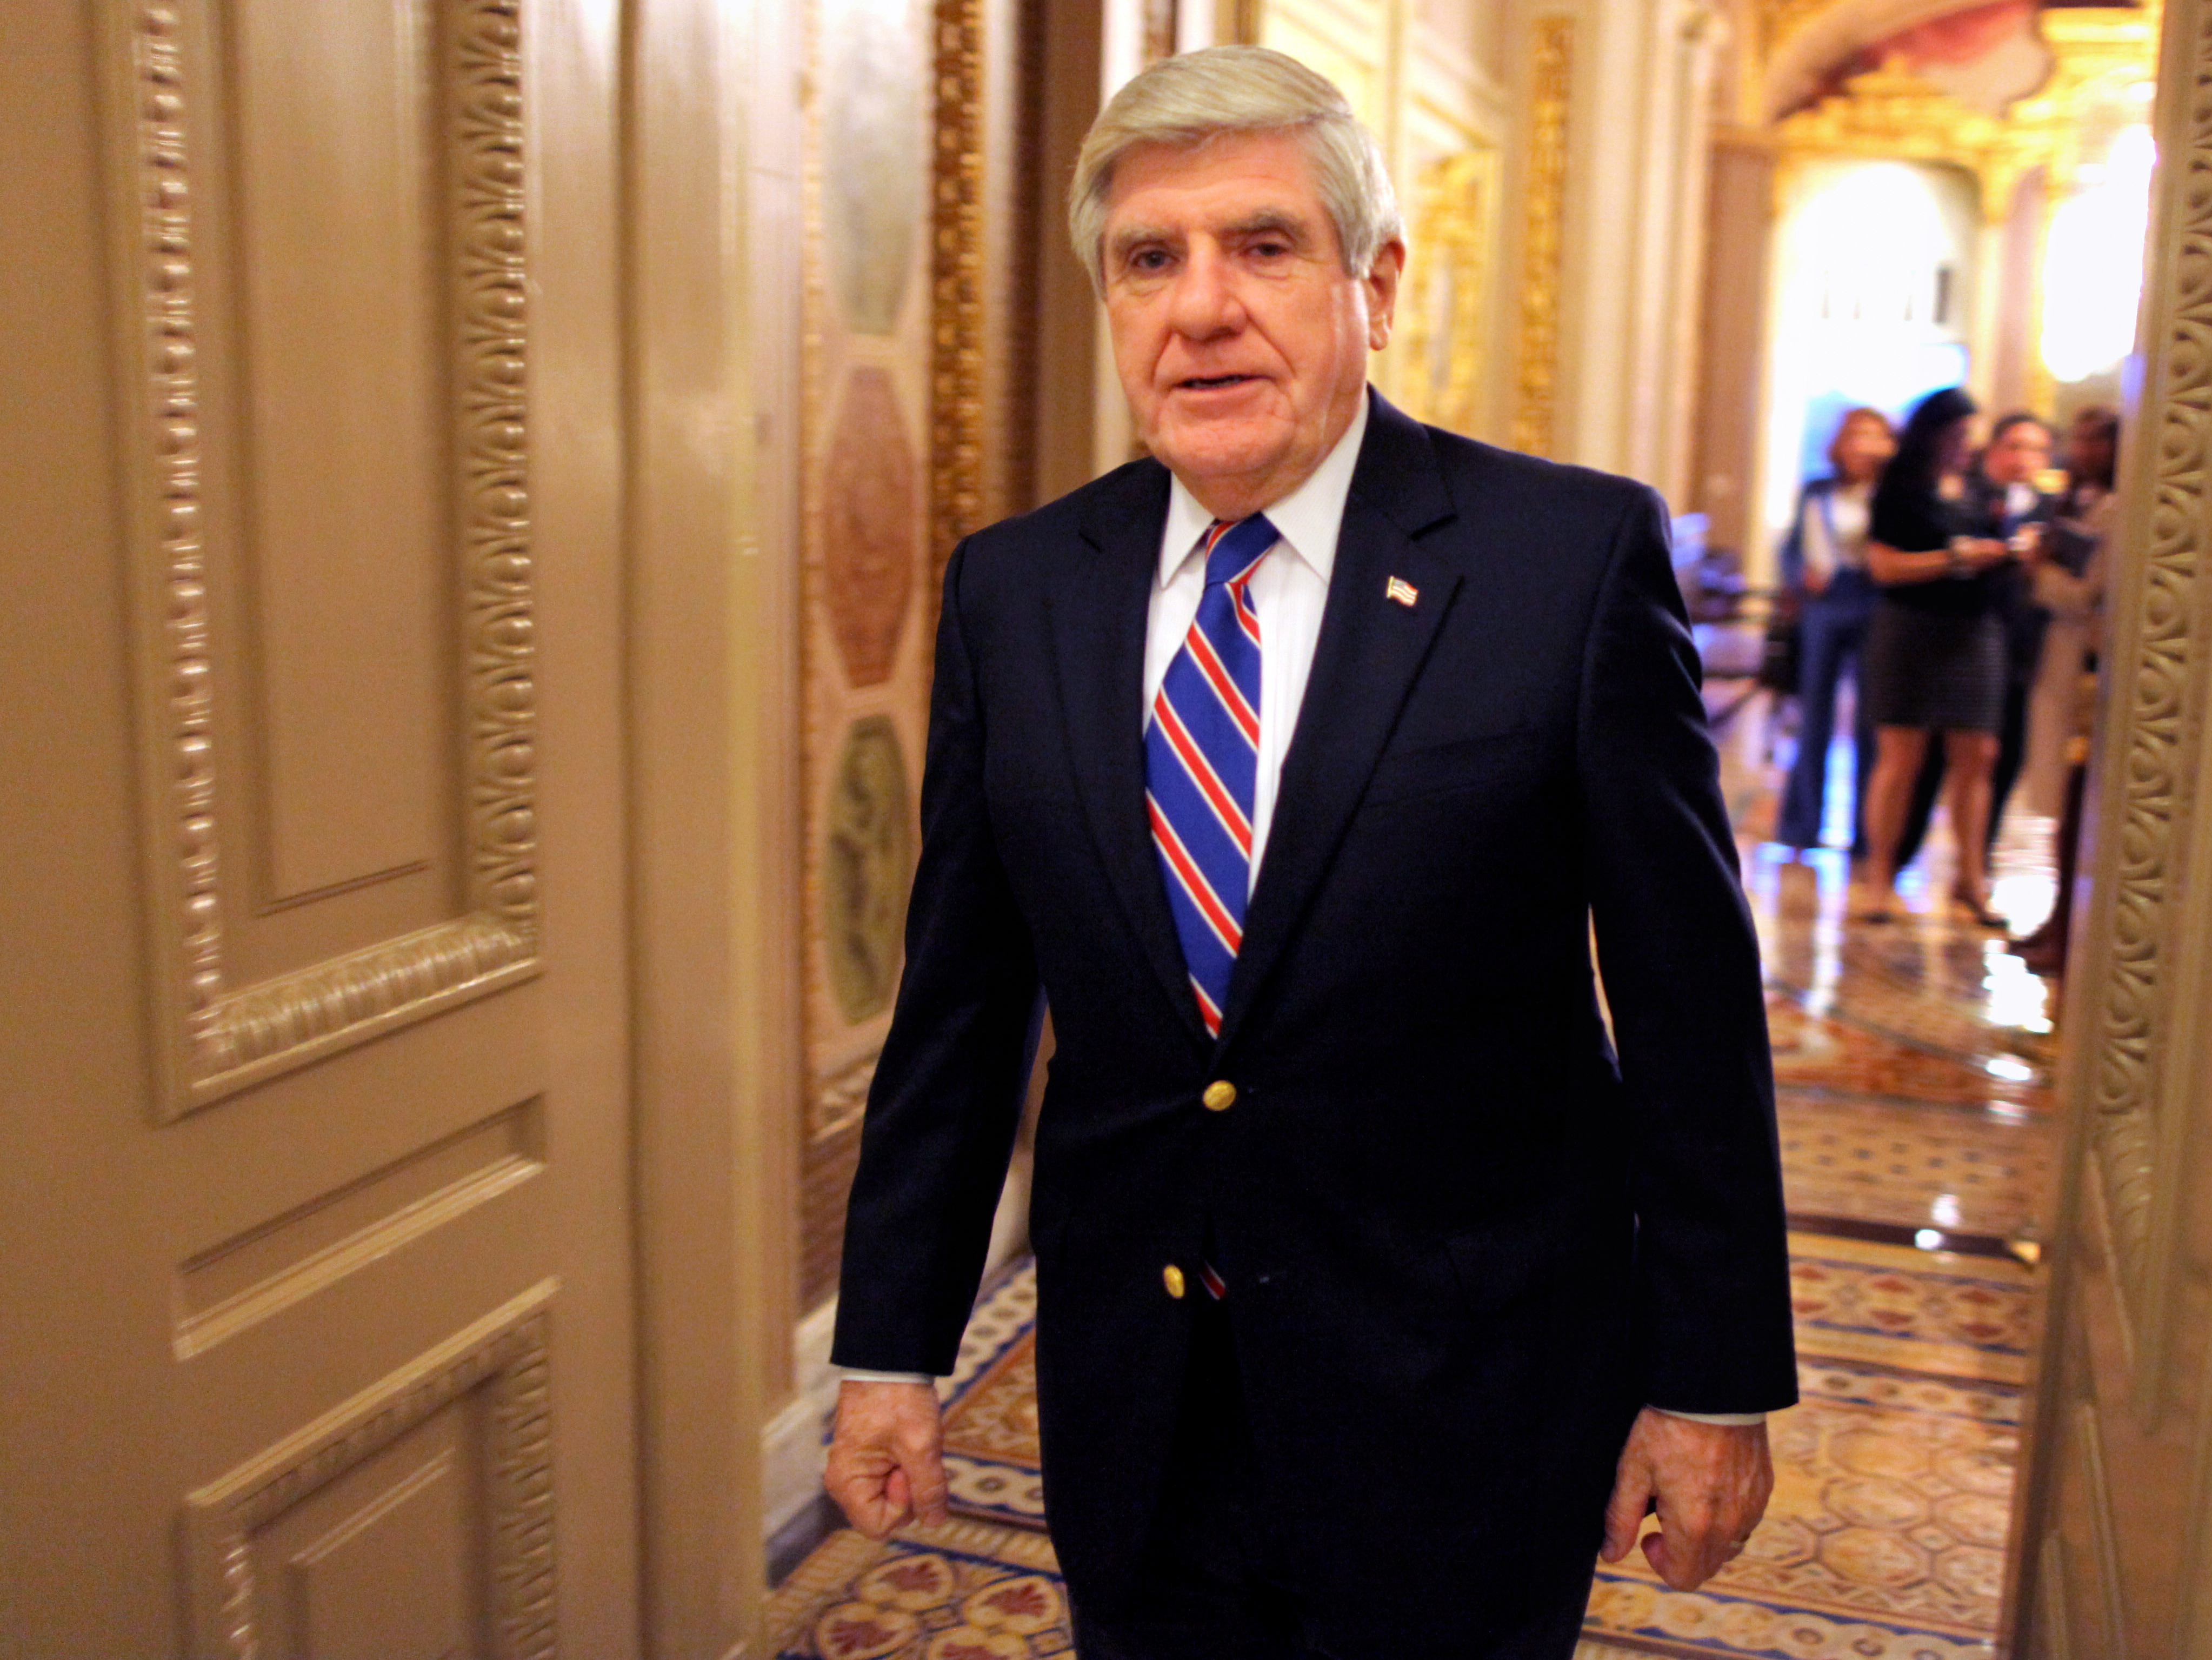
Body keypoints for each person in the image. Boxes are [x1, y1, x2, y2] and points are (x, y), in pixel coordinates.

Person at [822, 46, 1796, 1660]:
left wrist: (1710, 1380)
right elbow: (962, 1010)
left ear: (1375, 281)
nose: (1201, 307)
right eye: (1151, 261)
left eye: (1262, 247)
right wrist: (889, 1348)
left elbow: (1691, 1009)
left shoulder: (1561, 563)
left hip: (1467, 1400)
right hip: (1140, 1408)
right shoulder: (1017, 589)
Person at [1849, 388, 2039, 925]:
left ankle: (1972, 879)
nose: (1965, 446)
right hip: (1909, 625)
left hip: (1975, 627)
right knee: (1901, 755)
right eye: (1956, 435)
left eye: (1969, 436)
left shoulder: (1982, 488)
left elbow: (2004, 543)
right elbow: (1884, 566)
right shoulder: (1901, 487)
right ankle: (1880, 879)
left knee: (1978, 753)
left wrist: (2011, 553)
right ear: (1932, 433)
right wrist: (1953, 557)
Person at [2013, 407, 2118, 978]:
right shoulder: (2077, 502)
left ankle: (2068, 927)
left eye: (2092, 441)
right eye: (2075, 439)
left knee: (2078, 800)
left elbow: (2089, 594)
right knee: (2057, 800)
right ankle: (2056, 919)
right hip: (2058, 657)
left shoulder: (2117, 508)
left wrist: (2039, 572)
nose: (2080, 451)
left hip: (2086, 663)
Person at [1771, 406, 1895, 851]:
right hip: (1825, 606)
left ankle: (1869, 834)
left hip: (1875, 604)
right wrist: (1799, 574)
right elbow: (1790, 547)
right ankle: (1802, 827)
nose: (1864, 445)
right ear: (1841, 444)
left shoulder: (1893, 494)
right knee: (1814, 718)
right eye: (1857, 436)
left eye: (1874, 436)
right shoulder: (1817, 490)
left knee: (1870, 723)